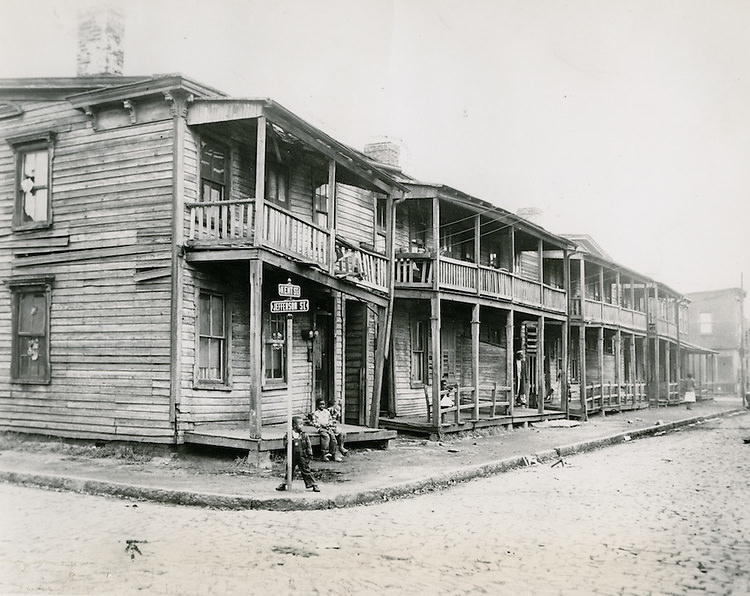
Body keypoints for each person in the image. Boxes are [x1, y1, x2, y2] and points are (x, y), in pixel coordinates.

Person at [276, 416, 320, 492]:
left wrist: (310, 455)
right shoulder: (289, 434)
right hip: (292, 456)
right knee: (289, 470)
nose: (302, 426)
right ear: (294, 425)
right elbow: (285, 443)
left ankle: (313, 485)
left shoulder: (304, 435)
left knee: (306, 470)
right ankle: (284, 484)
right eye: (300, 424)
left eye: (302, 424)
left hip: (302, 455)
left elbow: (308, 445)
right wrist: (288, 442)